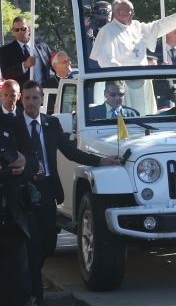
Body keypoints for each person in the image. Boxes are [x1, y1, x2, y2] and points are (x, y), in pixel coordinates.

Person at [18, 80, 120, 305]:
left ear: (42, 100)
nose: (31, 103)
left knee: (46, 241)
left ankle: (32, 276)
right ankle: (35, 292)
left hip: (45, 189)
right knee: (32, 242)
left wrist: (100, 161)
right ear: (21, 100)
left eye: (35, 98)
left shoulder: (50, 124)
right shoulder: (13, 124)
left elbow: (71, 152)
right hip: (22, 190)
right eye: (26, 98)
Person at [0, 113, 39, 306]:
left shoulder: (13, 124)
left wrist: (24, 163)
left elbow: (34, 162)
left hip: (10, 220)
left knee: (18, 288)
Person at [89, 0, 176, 67]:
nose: (133, 13)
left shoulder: (136, 26)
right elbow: (105, 60)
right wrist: (124, 74)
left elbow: (157, 26)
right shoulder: (107, 31)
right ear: (118, 12)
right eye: (130, 10)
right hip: (122, 83)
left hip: (142, 78)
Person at [0, 16, 53, 94]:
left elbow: (53, 63)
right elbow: (6, 73)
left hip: (43, 93)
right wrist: (24, 65)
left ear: (29, 29)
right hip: (23, 97)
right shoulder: (6, 50)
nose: (20, 32)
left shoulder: (42, 45)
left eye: (23, 29)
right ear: (13, 31)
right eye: (16, 30)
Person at [84, 1, 112, 69]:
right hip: (94, 71)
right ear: (96, 13)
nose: (106, 13)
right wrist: (87, 31)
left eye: (109, 11)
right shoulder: (90, 28)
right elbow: (90, 53)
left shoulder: (116, 29)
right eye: (103, 11)